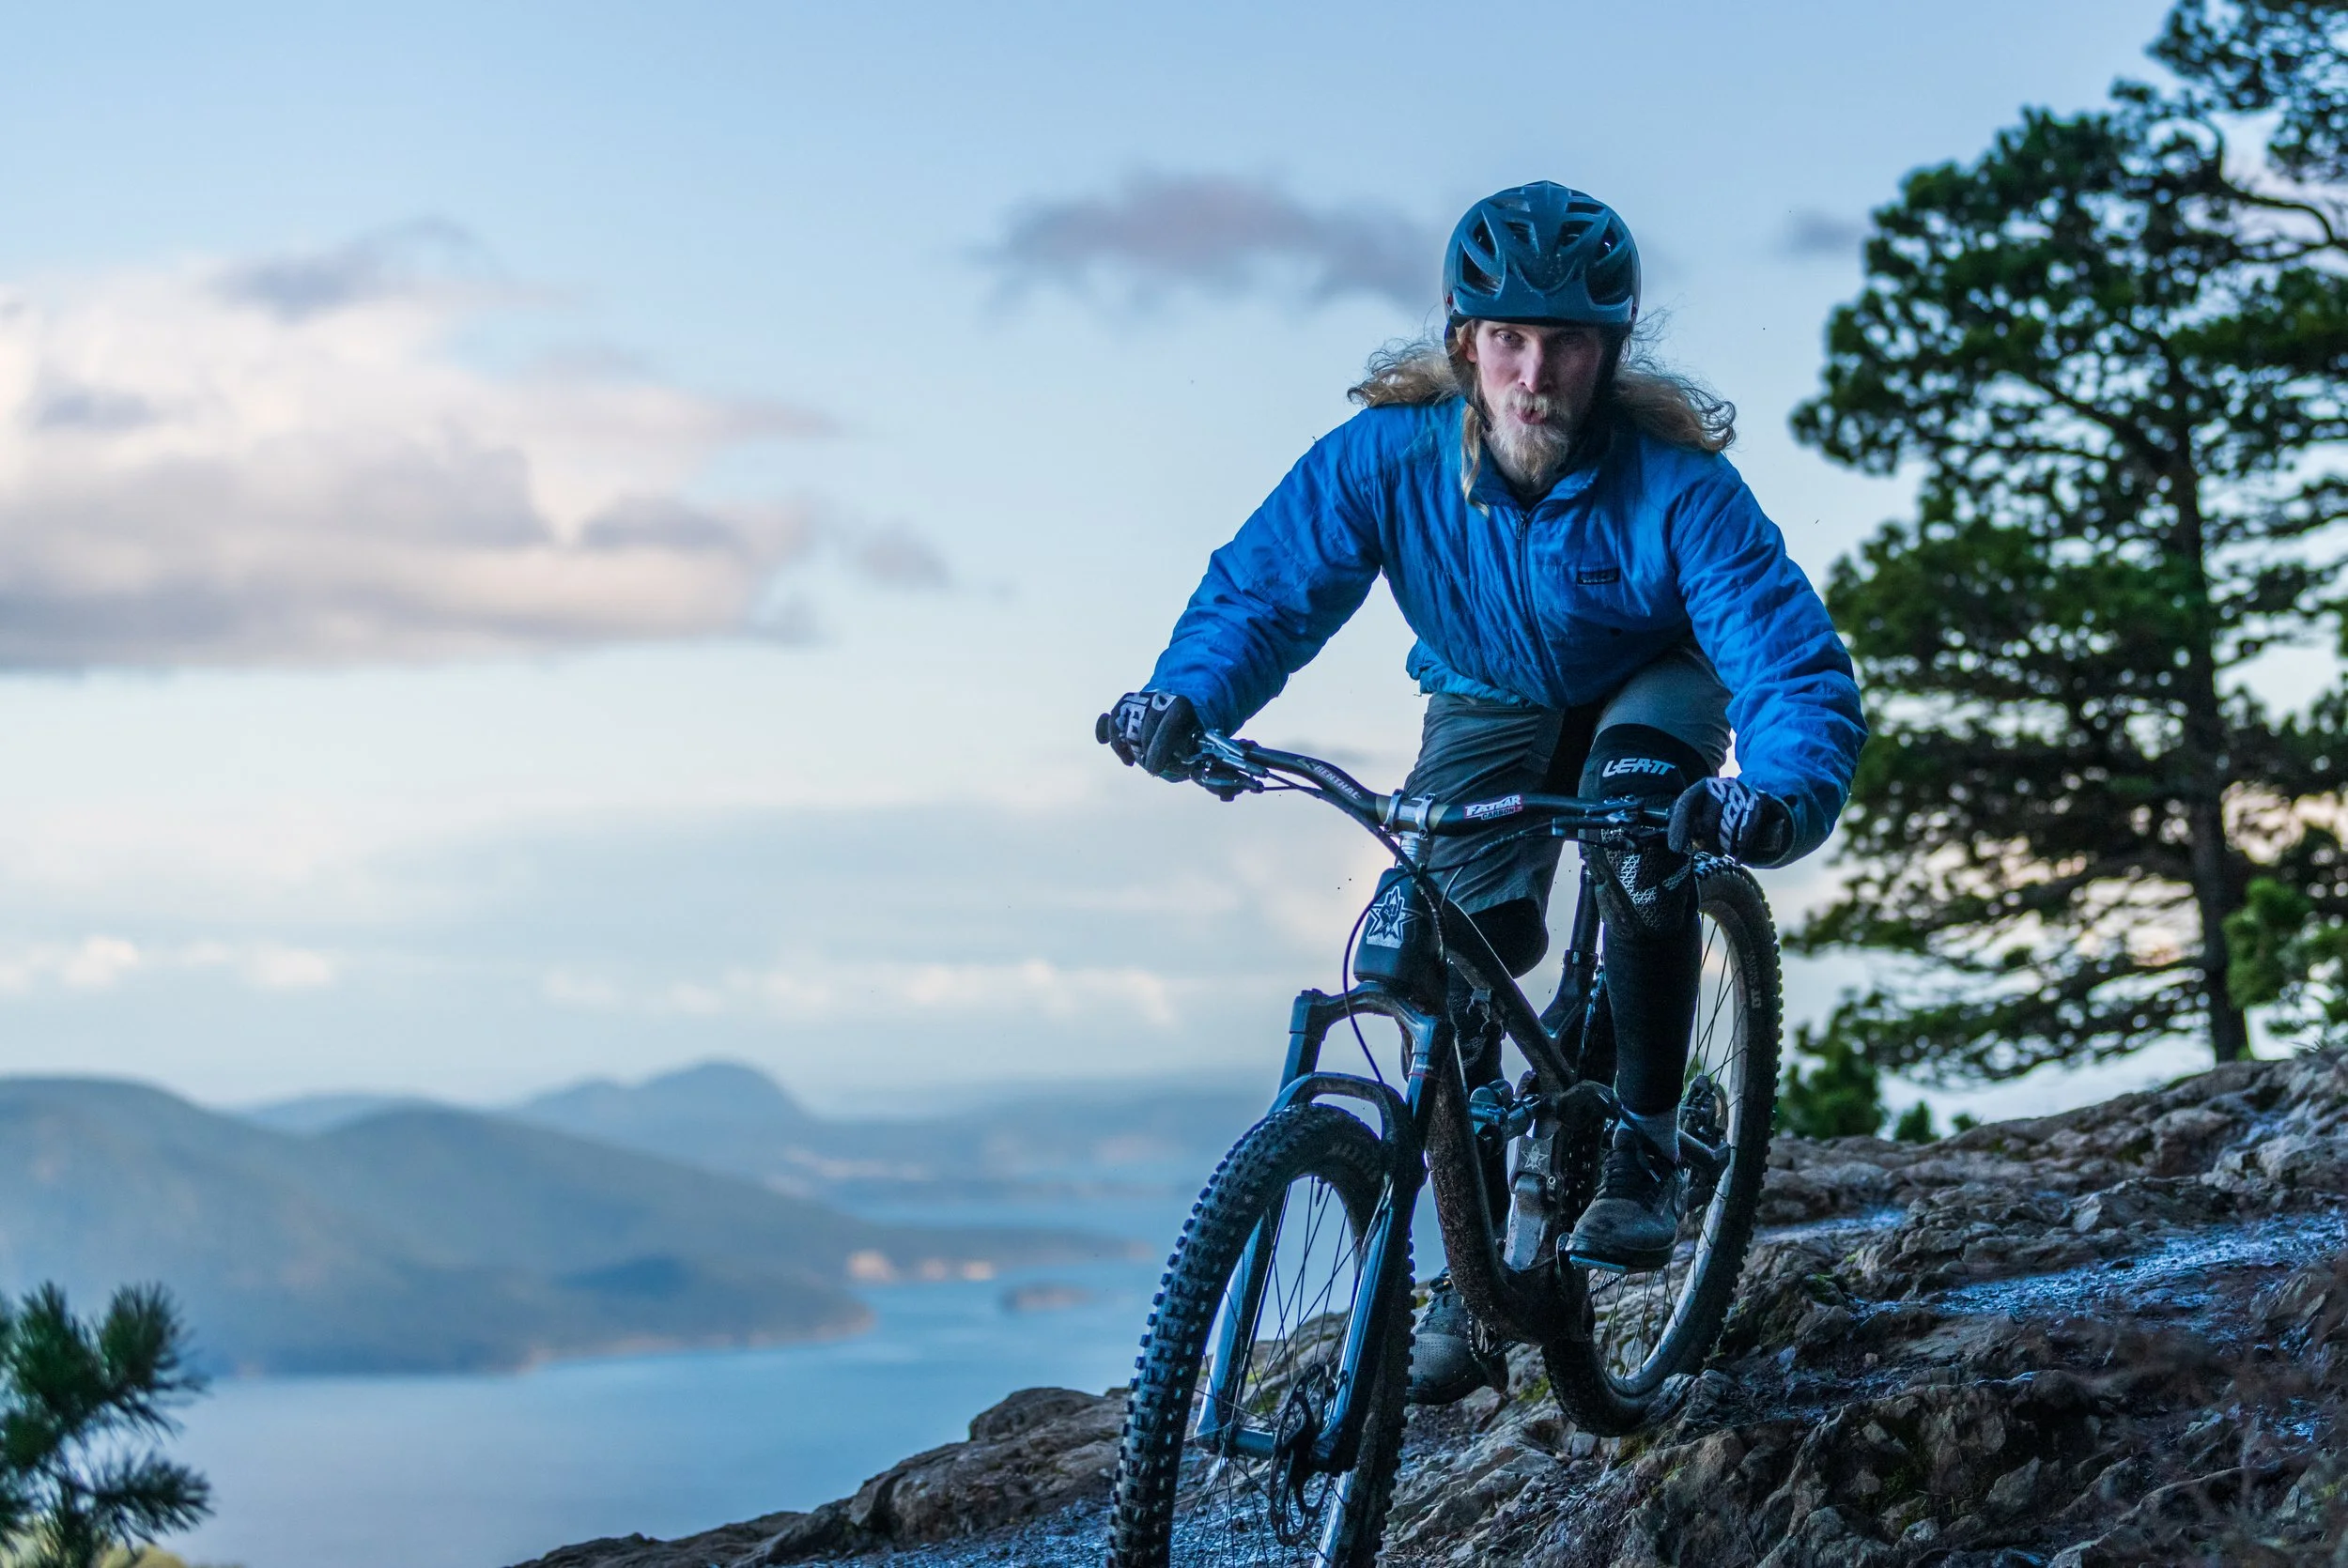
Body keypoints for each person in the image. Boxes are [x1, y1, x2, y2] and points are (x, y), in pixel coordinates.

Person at [1099, 181, 1866, 1404]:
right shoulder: (1386, 462)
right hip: (1488, 692)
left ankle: (1647, 1140)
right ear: (1464, 342)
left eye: (1567, 341)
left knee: (1636, 822)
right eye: (1508, 338)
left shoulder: (1677, 489)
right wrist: (1186, 703)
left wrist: (1775, 791)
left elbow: (1783, 657)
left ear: (1608, 352)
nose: (1536, 370)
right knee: (1440, 942)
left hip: (1648, 680)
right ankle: (1470, 1270)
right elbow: (1267, 588)